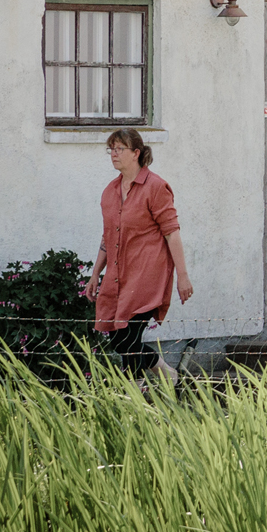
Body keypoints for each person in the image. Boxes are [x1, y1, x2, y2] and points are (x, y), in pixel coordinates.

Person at [88, 128, 193, 374]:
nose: (113, 154)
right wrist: (95, 274)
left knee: (129, 337)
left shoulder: (155, 187)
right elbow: (108, 236)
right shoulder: (110, 192)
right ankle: (166, 372)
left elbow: (171, 232)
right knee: (119, 340)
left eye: (119, 149)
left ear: (136, 153)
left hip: (147, 276)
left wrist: (183, 276)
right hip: (119, 277)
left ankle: (136, 394)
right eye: (111, 149)